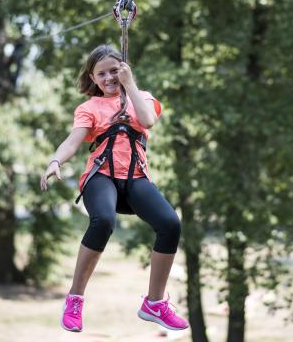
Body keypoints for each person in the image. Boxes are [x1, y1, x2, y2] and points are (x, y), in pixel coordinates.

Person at [40, 44, 188, 333]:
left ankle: (154, 303)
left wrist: (129, 84)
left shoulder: (143, 98)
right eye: (101, 73)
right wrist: (56, 160)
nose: (108, 78)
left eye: (113, 71)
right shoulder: (90, 108)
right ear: (93, 78)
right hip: (101, 176)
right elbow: (73, 140)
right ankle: (75, 298)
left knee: (171, 224)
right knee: (104, 220)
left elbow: (148, 120)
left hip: (135, 177)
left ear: (124, 70)